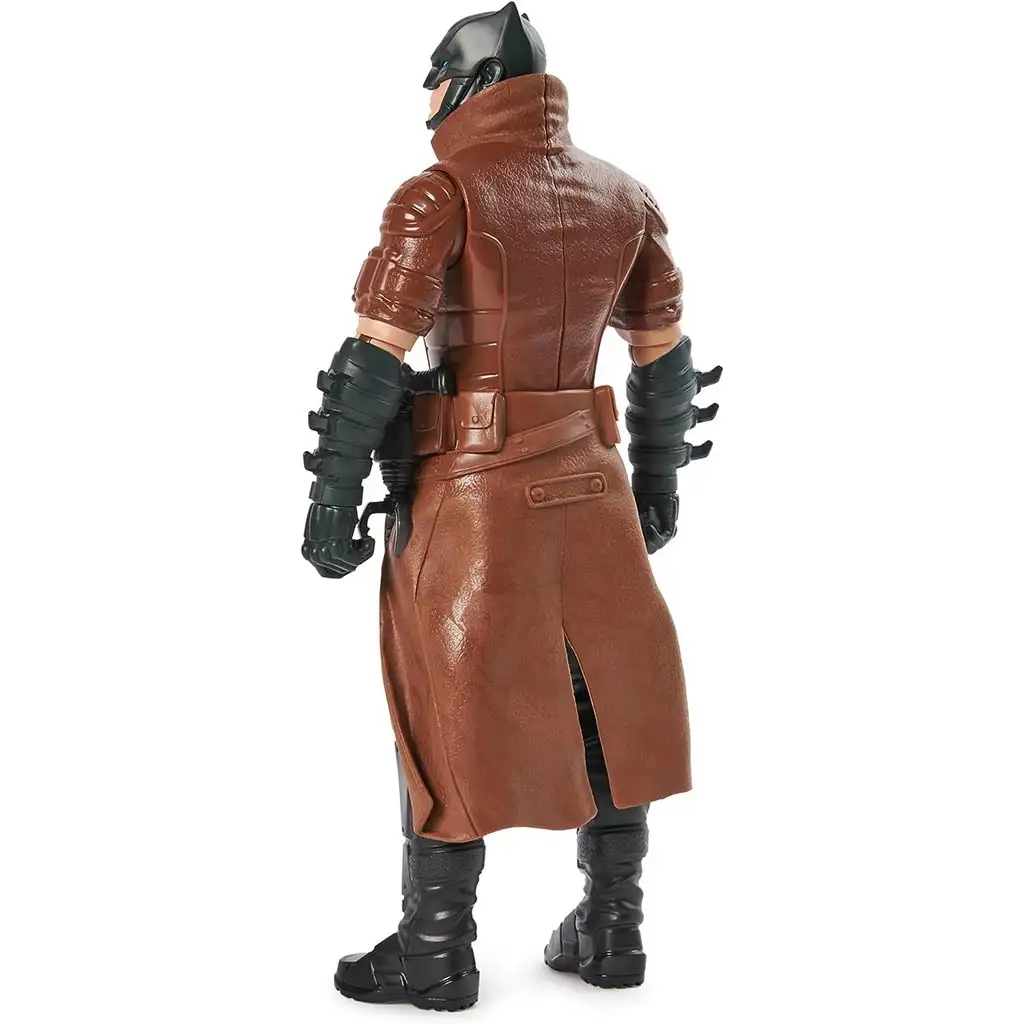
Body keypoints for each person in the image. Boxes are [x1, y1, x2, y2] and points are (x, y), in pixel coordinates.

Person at [300, 2, 721, 1011]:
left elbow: (373, 353)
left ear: (468, 85)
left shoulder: (438, 195)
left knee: (441, 708)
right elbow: (662, 352)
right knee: (608, 698)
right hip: (592, 483)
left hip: (472, 492)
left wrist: (332, 497)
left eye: (436, 82)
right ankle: (613, 927)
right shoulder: (625, 195)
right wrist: (657, 483)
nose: (428, 103)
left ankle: (434, 948)